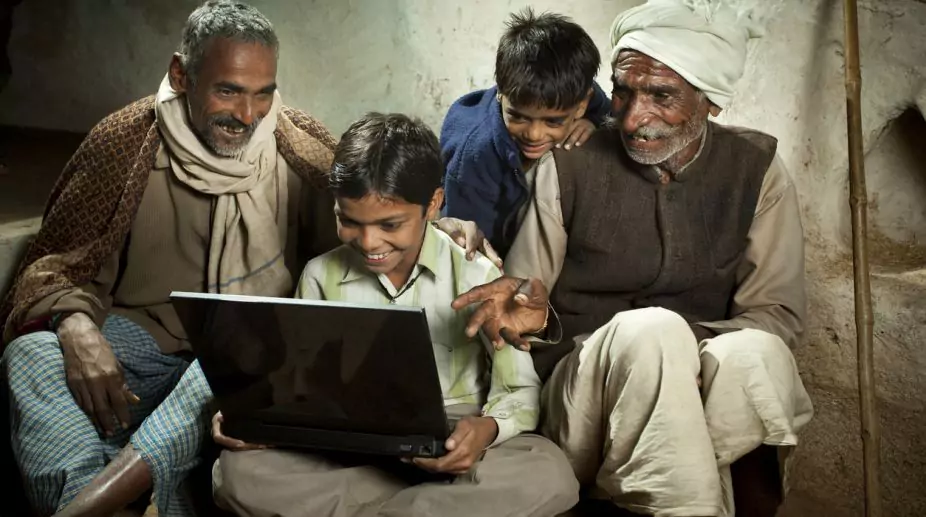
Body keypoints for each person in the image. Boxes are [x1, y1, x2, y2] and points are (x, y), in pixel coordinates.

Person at [0, 3, 492, 516]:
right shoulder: (122, 142)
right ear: (181, 75)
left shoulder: (298, 144)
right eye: (228, 90)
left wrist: (439, 228)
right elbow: (56, 258)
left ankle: (89, 507)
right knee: (30, 354)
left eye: (263, 93)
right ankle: (93, 502)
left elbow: (372, 211)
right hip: (141, 342)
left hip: (253, 351)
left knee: (224, 357)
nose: (248, 114)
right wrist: (74, 323)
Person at [450, 2, 815, 516]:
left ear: (711, 101)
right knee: (651, 334)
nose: (633, 116)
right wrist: (529, 312)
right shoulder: (568, 164)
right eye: (623, 92)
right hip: (583, 392)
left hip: (699, 386)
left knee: (758, 355)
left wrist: (688, 357)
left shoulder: (756, 170)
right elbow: (524, 291)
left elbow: (777, 316)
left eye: (661, 96)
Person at [211, 112, 579, 517]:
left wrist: (486, 431)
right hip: (353, 446)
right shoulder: (320, 275)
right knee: (236, 473)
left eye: (390, 224)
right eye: (348, 221)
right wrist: (258, 416)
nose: (369, 242)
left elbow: (518, 391)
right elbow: (301, 384)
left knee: (550, 474)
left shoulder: (478, 276)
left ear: (433, 204)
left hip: (454, 438)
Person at [440, 8, 610, 257]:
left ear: (582, 104)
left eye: (553, 121)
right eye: (518, 116)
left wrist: (594, 121)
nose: (533, 134)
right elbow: (467, 240)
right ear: (501, 92)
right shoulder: (476, 153)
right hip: (486, 226)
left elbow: (607, 111)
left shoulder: (570, 88)